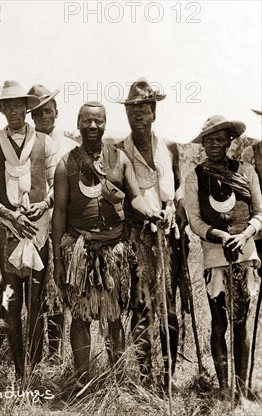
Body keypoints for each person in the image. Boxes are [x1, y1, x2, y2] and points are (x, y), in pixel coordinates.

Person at [52, 101, 165, 388]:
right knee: (80, 317)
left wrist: (153, 212)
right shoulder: (66, 163)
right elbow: (60, 213)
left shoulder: (120, 158)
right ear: (78, 123)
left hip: (115, 249)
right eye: (87, 121)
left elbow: (135, 198)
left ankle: (115, 381)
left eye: (98, 121)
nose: (93, 126)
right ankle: (82, 380)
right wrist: (58, 259)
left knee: (114, 316)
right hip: (80, 250)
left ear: (105, 123)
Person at [0, 80, 55, 383]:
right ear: (3, 110)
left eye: (18, 106)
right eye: (7, 106)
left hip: (38, 229)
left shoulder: (44, 143)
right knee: (11, 297)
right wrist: (7, 214)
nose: (13, 111)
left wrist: (43, 205)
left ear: (27, 108)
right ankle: (18, 365)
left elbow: (53, 186)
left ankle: (32, 370)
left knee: (36, 299)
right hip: (7, 230)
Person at [115, 78, 187, 387]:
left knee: (168, 307)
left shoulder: (169, 147)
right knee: (141, 306)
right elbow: (120, 196)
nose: (138, 116)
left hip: (168, 238)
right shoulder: (119, 150)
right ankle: (145, 376)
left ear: (154, 112)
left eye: (143, 110)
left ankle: (167, 375)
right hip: (136, 236)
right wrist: (144, 215)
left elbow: (180, 186)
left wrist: (174, 208)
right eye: (132, 111)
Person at [184, 115, 261, 399]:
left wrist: (244, 235)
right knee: (219, 322)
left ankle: (242, 388)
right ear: (203, 143)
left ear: (230, 142)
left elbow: (259, 213)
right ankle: (224, 387)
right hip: (215, 258)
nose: (214, 145)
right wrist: (220, 235)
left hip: (245, 255)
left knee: (241, 324)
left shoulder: (247, 171)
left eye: (220, 139)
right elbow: (195, 221)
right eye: (209, 139)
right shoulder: (195, 177)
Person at [28, 84, 78, 360]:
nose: (42, 118)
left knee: (59, 288)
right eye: (37, 114)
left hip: (63, 226)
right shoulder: (28, 144)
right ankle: (32, 350)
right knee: (36, 288)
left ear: (56, 112)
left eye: (47, 112)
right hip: (33, 226)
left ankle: (55, 352)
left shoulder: (70, 146)